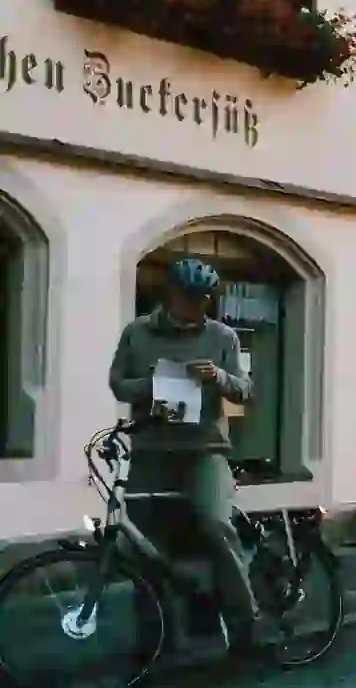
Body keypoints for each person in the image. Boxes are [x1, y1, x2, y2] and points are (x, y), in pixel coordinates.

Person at [109, 258, 261, 652]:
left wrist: (219, 377)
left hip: (203, 451)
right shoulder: (137, 333)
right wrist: (156, 383)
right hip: (151, 453)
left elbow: (245, 391)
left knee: (214, 524)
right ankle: (156, 636)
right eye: (189, 298)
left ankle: (246, 625)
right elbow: (119, 385)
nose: (196, 306)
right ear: (171, 295)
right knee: (145, 546)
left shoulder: (222, 336)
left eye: (204, 300)